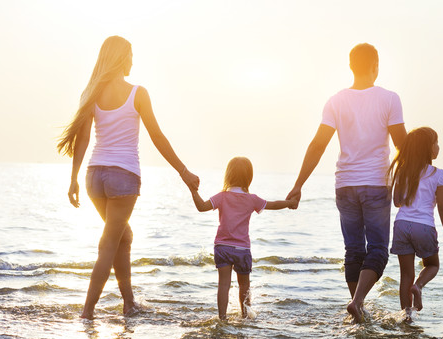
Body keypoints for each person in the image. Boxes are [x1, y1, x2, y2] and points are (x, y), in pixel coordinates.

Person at [57, 36, 199, 320]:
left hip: (94, 178)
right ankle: (87, 313)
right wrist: (184, 172)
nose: (133, 61)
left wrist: (73, 179)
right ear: (122, 58)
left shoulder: (90, 93)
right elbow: (157, 136)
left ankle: (129, 303)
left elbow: (83, 139)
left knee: (123, 236)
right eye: (131, 55)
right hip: (123, 177)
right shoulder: (138, 93)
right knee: (109, 243)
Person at [286, 43, 407, 323]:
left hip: (345, 185)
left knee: (353, 250)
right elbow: (402, 145)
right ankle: (358, 302)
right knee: (377, 251)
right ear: (375, 66)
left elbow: (317, 145)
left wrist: (298, 184)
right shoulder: (390, 99)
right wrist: (404, 183)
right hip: (376, 184)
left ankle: (358, 311)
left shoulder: (335, 101)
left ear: (351, 67)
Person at [189, 157, 296, 320]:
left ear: (228, 175)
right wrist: (290, 202)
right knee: (244, 285)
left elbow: (201, 207)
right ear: (249, 177)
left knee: (223, 285)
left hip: (222, 247)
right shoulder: (252, 199)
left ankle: (222, 318)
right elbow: (272, 204)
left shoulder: (222, 196)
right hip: (242, 250)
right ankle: (246, 316)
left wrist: (193, 190)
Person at [387, 127, 443, 318]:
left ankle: (406, 317)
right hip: (424, 225)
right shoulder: (438, 174)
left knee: (405, 275)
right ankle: (419, 285)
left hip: (401, 224)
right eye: (436, 143)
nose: (438, 147)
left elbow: (397, 202)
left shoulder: (402, 171)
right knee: (432, 264)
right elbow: (442, 206)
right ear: (429, 148)